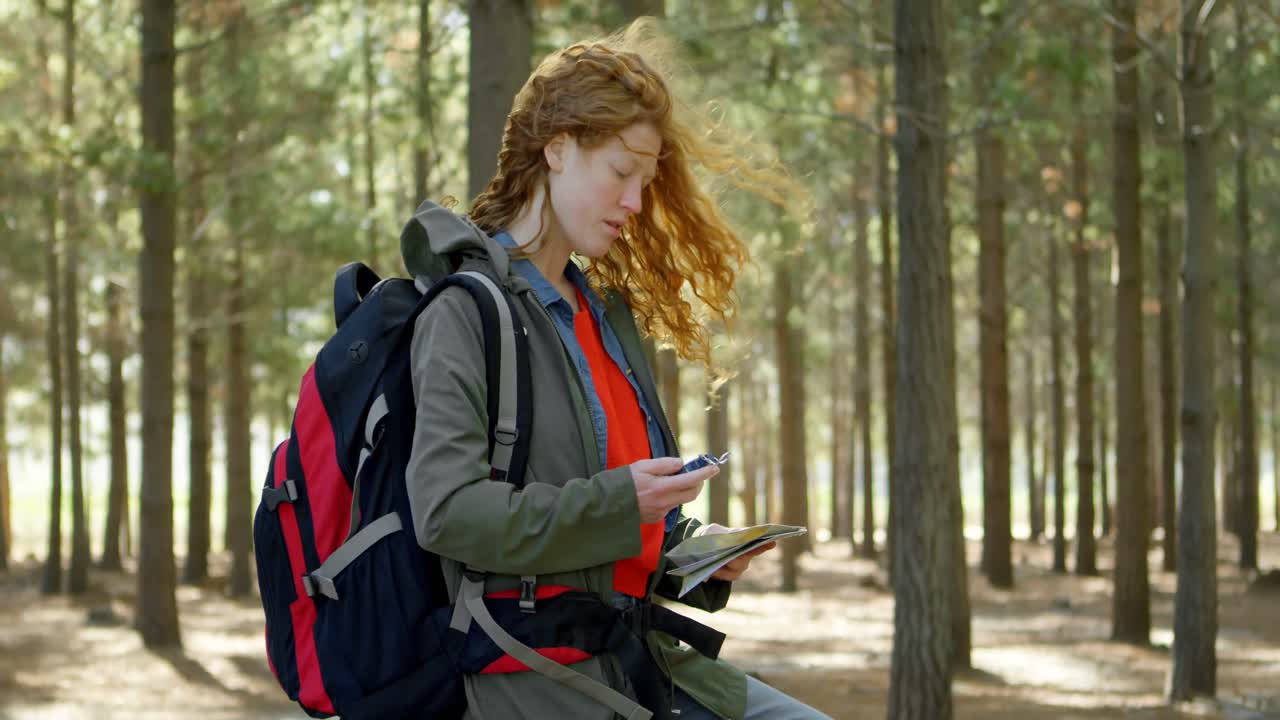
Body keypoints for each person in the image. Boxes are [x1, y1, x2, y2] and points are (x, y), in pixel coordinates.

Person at [400, 18, 830, 720]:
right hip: (530, 675)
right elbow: (447, 514)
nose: (635, 200)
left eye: (647, 179)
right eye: (622, 171)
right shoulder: (466, 313)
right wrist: (619, 504)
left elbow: (614, 523)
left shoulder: (605, 315)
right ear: (559, 149)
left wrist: (694, 555)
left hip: (638, 663)